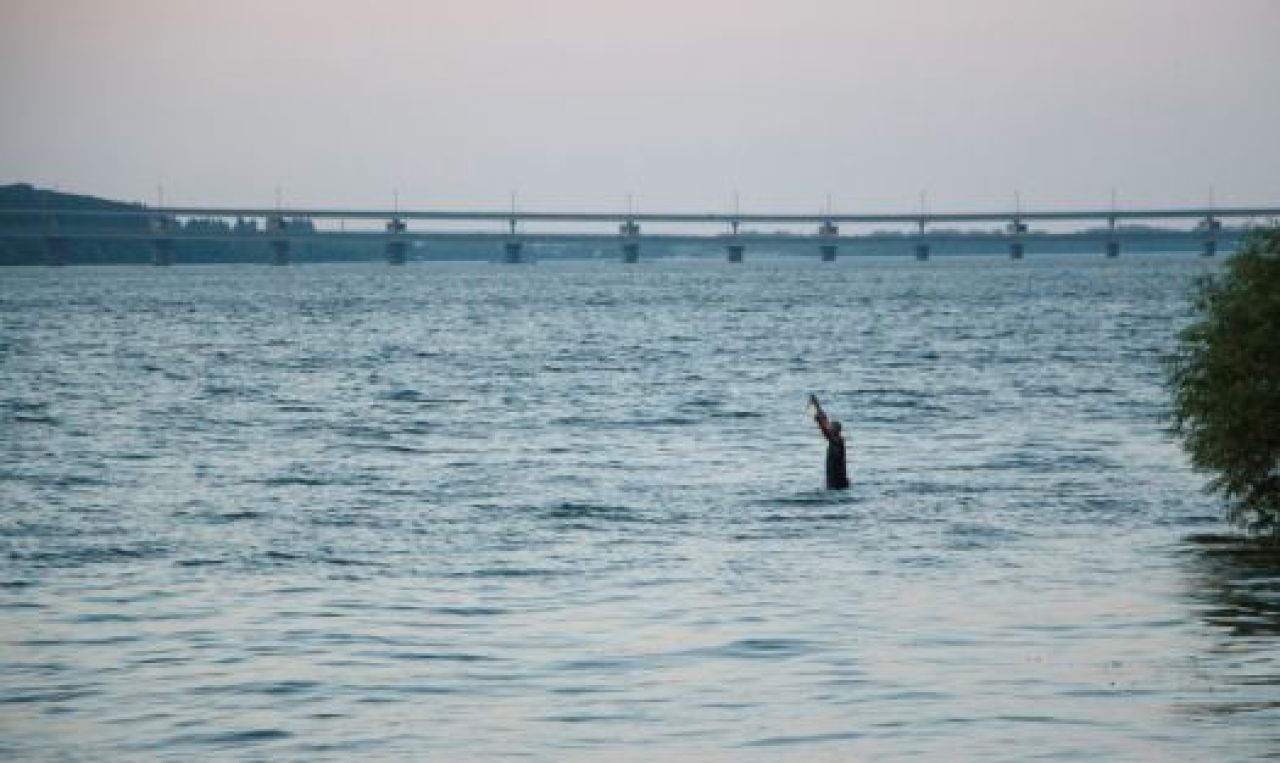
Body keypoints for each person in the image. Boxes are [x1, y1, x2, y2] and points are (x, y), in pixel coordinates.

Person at [809, 394, 850, 489]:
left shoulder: (838, 442)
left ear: (835, 431)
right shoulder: (834, 441)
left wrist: (816, 409)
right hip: (836, 481)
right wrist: (817, 408)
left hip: (838, 482)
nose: (828, 428)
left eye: (831, 427)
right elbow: (824, 424)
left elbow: (824, 426)